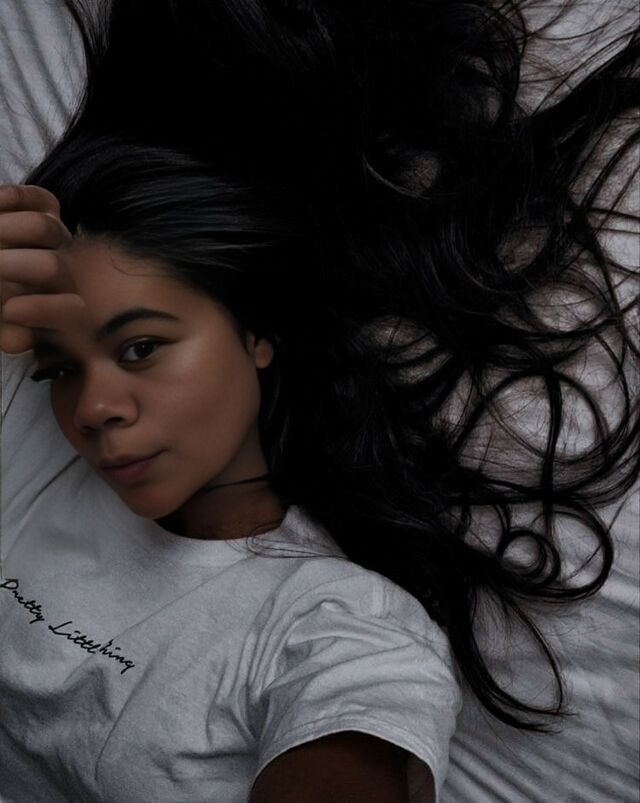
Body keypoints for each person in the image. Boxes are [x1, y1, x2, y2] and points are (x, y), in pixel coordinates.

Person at [0, 0, 637, 800]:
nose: (93, 407)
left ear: (255, 333)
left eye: (141, 348)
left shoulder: (337, 625)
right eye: (59, 368)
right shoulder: (30, 444)